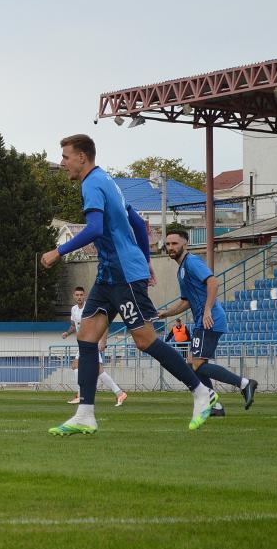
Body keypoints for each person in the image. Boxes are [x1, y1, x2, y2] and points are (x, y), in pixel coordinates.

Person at [41, 134, 216, 435]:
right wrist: (145, 260)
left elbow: (95, 229)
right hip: (110, 274)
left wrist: (59, 250)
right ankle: (85, 415)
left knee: (145, 340)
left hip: (122, 274)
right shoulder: (108, 181)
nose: (63, 162)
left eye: (66, 157)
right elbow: (136, 223)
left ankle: (202, 392)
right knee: (86, 337)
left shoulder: (91, 184)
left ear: (82, 157)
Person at [158, 228, 257, 415]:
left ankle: (244, 384)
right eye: (168, 244)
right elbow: (186, 301)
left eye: (174, 243)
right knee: (193, 365)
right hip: (201, 321)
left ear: (185, 244)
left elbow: (213, 282)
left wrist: (207, 310)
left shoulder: (192, 262)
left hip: (209, 320)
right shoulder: (181, 270)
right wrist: (166, 313)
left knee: (197, 364)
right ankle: (214, 406)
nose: (170, 247)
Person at [61, 285, 126, 406]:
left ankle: (81, 394)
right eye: (77, 295)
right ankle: (119, 393)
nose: (79, 297)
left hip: (91, 341)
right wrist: (67, 333)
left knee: (77, 366)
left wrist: (103, 341)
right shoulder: (74, 309)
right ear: (74, 296)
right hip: (83, 343)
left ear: (84, 296)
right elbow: (74, 326)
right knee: (97, 370)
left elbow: (105, 323)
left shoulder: (90, 308)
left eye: (81, 295)